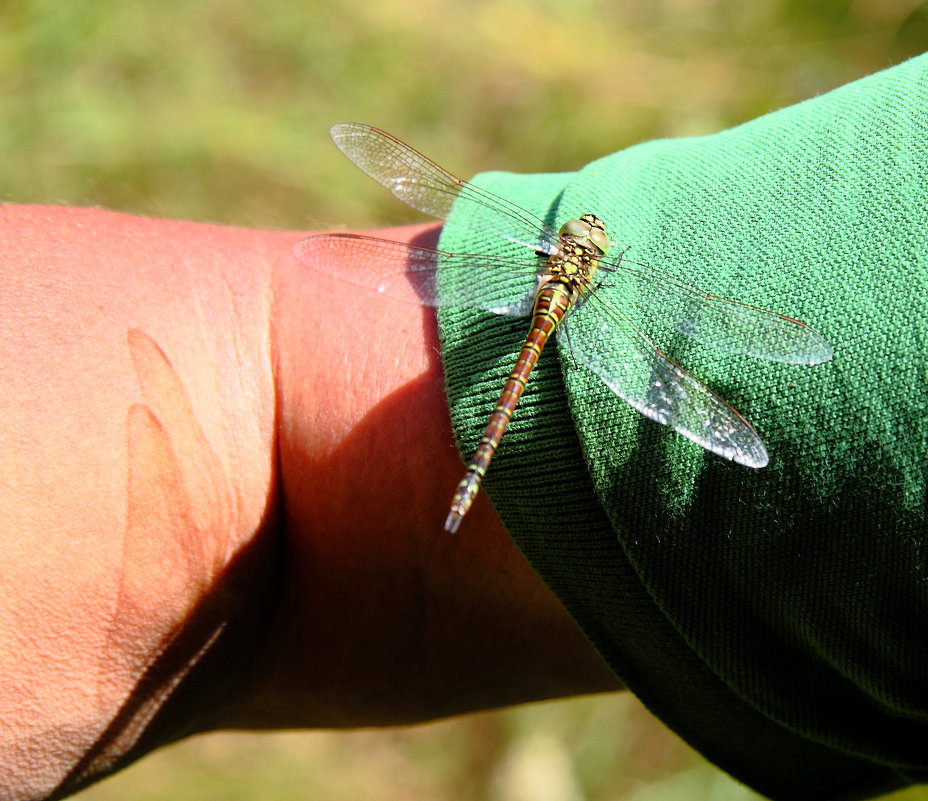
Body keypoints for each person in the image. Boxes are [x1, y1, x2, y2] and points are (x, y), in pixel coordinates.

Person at [1, 53, 926, 801]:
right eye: (590, 244)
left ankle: (474, 472)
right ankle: (478, 473)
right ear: (589, 261)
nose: (589, 242)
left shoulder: (544, 261)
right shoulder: (601, 286)